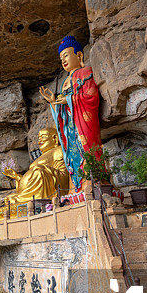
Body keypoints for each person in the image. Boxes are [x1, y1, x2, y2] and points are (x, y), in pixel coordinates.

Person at [40, 35, 104, 192]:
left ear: (79, 56)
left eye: (66, 55)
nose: (63, 60)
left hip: (83, 123)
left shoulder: (84, 72)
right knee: (71, 155)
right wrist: (54, 101)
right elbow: (63, 110)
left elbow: (91, 96)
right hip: (70, 127)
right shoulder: (64, 83)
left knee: (87, 152)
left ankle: (92, 182)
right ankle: (76, 186)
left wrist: (70, 100)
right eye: (61, 58)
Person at [0, 128, 70, 219]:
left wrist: (42, 169)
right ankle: (22, 198)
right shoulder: (42, 156)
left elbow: (64, 175)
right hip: (33, 189)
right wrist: (17, 177)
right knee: (6, 204)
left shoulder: (58, 150)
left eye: (43, 137)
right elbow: (31, 180)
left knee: (39, 171)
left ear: (54, 139)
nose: (39, 140)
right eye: (38, 137)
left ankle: (24, 200)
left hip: (46, 188)